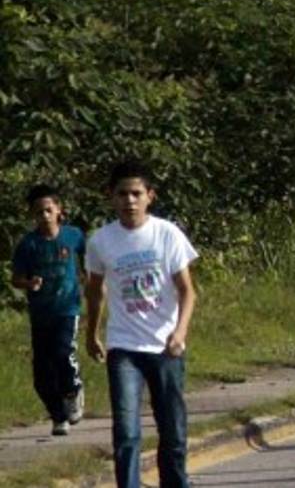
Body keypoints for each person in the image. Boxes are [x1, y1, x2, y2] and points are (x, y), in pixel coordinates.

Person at [85, 161, 198, 488]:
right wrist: (92, 334)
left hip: (164, 346)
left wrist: (180, 332)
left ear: (150, 196)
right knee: (126, 432)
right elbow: (95, 291)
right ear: (111, 196)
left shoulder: (166, 233)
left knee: (172, 429)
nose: (129, 201)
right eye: (122, 194)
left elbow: (187, 291)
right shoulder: (101, 241)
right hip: (124, 347)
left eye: (136, 193)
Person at [11, 185, 86, 436]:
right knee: (42, 372)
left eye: (48, 210)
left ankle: (73, 391)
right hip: (41, 313)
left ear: (58, 210)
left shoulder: (73, 236)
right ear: (32, 215)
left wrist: (91, 279)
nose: (44, 216)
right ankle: (58, 416)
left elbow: (90, 259)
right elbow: (16, 278)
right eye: (39, 212)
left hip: (68, 308)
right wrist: (29, 283)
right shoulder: (28, 244)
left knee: (63, 353)